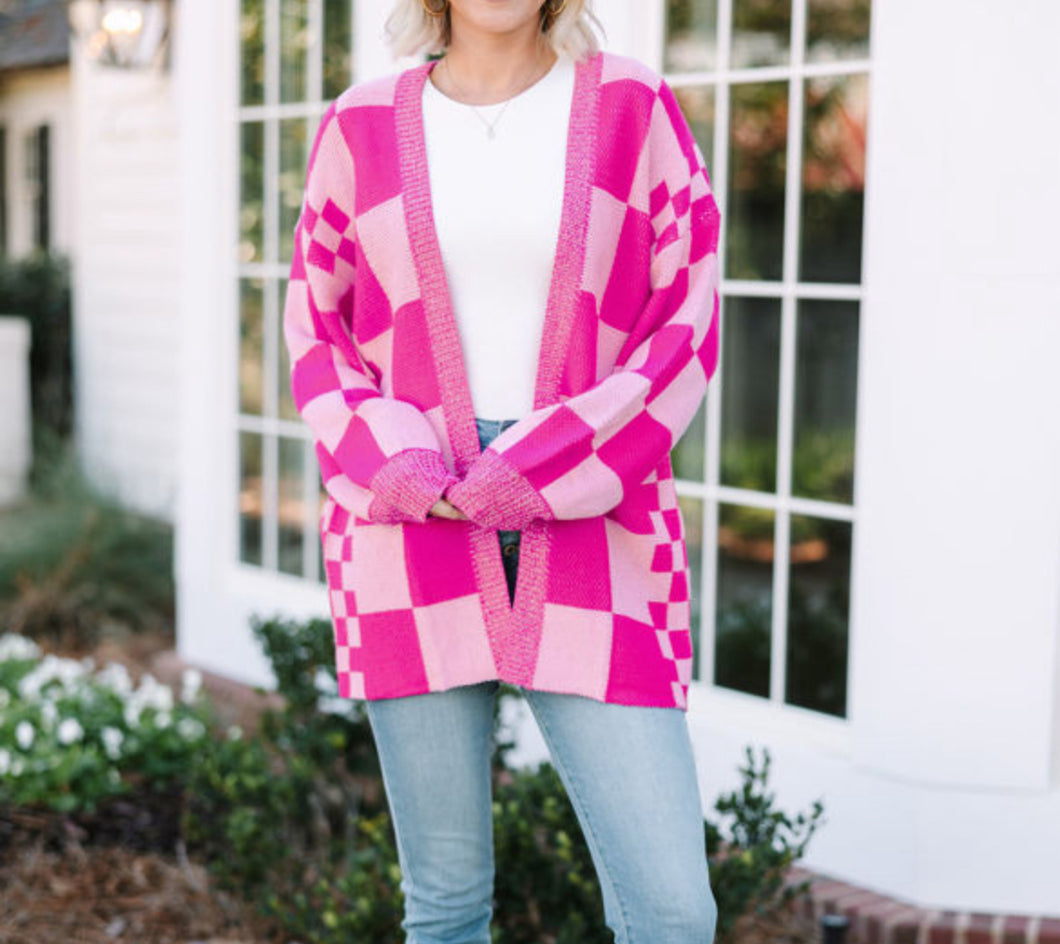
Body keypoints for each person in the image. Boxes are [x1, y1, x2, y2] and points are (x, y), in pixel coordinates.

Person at [282, 0, 723, 940]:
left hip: (594, 514)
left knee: (673, 910)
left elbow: (685, 322)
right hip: (413, 523)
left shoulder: (634, 110)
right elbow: (316, 333)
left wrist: (552, 458)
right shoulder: (357, 126)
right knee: (444, 905)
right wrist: (394, 462)